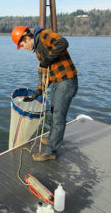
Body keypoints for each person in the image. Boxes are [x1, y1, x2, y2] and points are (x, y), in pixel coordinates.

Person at [11, 26, 78, 161]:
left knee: (58, 117)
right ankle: (52, 138)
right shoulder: (38, 51)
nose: (23, 48)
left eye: (22, 45)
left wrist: (48, 58)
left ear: (26, 37)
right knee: (53, 112)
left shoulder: (44, 35)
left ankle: (50, 151)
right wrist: (37, 93)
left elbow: (63, 43)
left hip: (67, 81)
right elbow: (45, 74)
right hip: (58, 83)